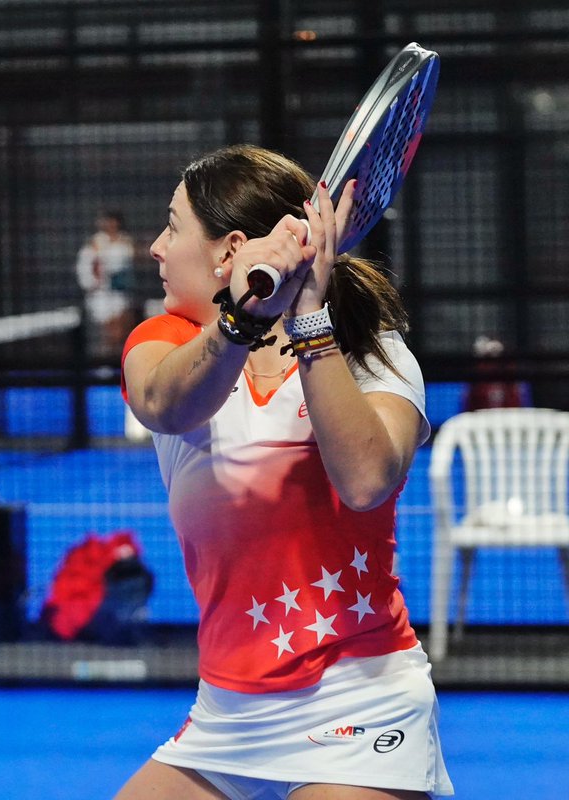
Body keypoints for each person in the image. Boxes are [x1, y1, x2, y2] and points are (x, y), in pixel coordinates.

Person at [117, 145, 453, 799]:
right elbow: (164, 404)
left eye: (173, 225)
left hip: (362, 701)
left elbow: (364, 482)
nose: (157, 247)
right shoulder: (161, 340)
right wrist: (244, 317)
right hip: (229, 712)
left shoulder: (375, 353)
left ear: (230, 249)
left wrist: (309, 323)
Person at [76, 209, 137, 354]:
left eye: (113, 221)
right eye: (107, 221)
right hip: (101, 297)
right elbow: (86, 268)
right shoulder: (94, 244)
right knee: (106, 335)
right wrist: (93, 281)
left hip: (121, 295)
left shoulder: (126, 242)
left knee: (122, 332)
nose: (110, 224)